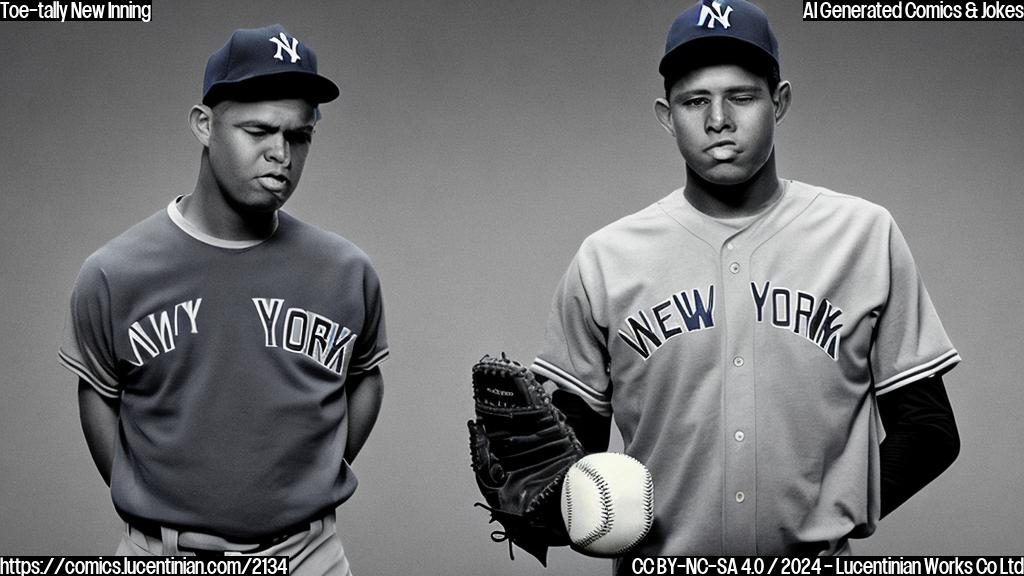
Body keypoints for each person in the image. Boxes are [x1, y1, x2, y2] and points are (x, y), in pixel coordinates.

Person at [530, 0, 960, 566]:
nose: (718, 121)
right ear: (666, 115)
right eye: (694, 101)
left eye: (741, 96)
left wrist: (837, 511)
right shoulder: (605, 259)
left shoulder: (864, 235)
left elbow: (929, 429)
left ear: (779, 102)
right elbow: (575, 450)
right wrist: (544, 506)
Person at [58, 24, 388, 575]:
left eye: (299, 135)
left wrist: (311, 478)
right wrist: (154, 510)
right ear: (204, 125)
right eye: (257, 130)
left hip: (310, 556)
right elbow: (98, 391)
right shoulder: (115, 273)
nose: (280, 154)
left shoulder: (346, 271)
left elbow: (366, 377)